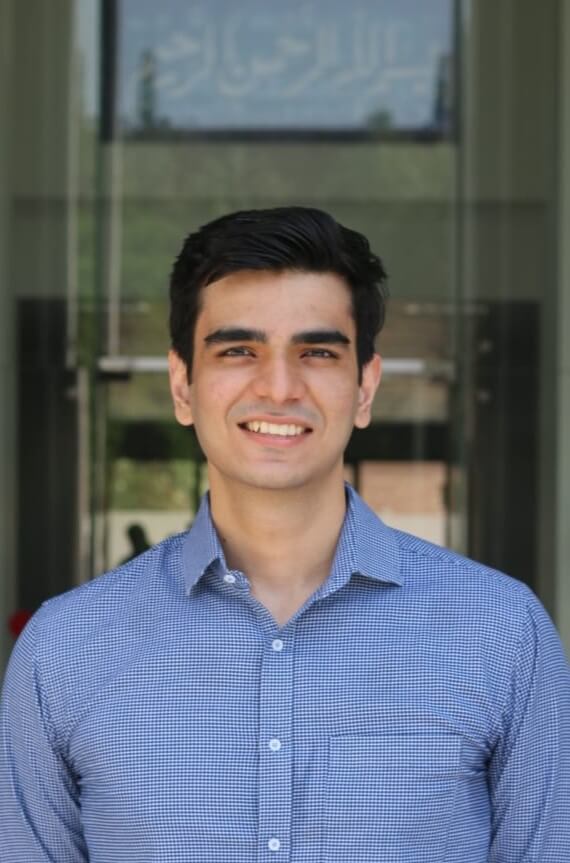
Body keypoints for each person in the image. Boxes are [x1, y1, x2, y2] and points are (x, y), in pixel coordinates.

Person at [1, 207, 568, 862]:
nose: (278, 387)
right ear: (183, 385)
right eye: (238, 350)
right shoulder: (64, 649)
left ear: (365, 387)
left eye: (317, 352)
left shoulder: (502, 632)